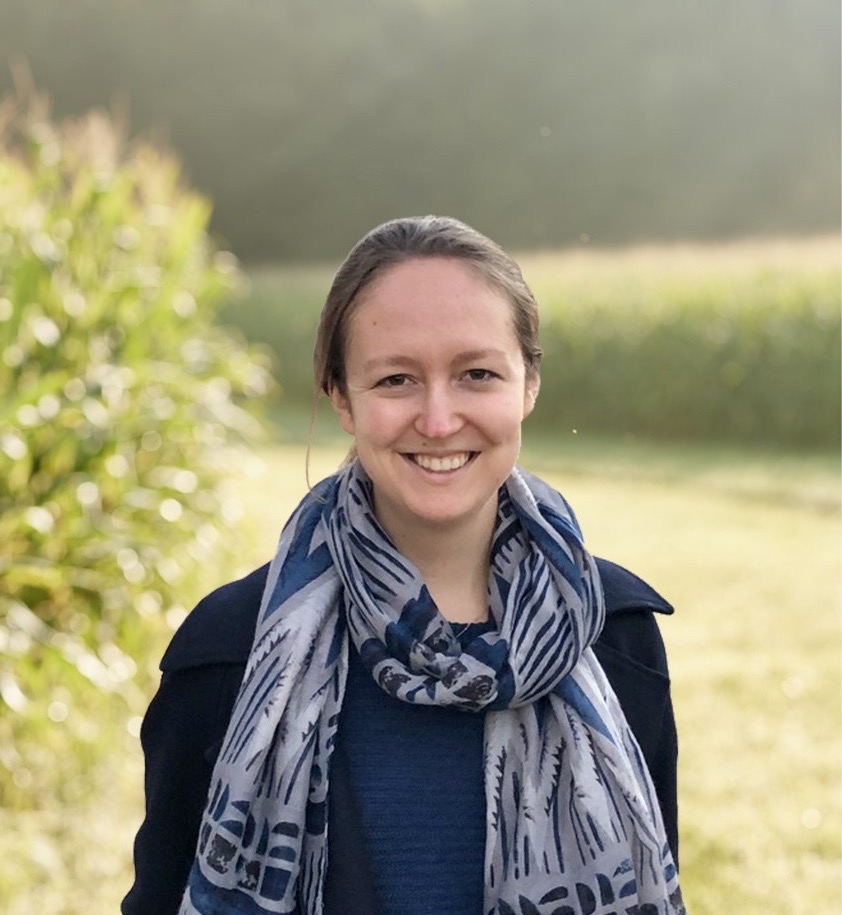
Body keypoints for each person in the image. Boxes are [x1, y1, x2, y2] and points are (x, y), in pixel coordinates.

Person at [123, 216, 686, 915]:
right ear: (340, 397)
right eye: (396, 379)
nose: (440, 419)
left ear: (528, 384)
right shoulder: (228, 653)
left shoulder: (614, 635)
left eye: (477, 373)